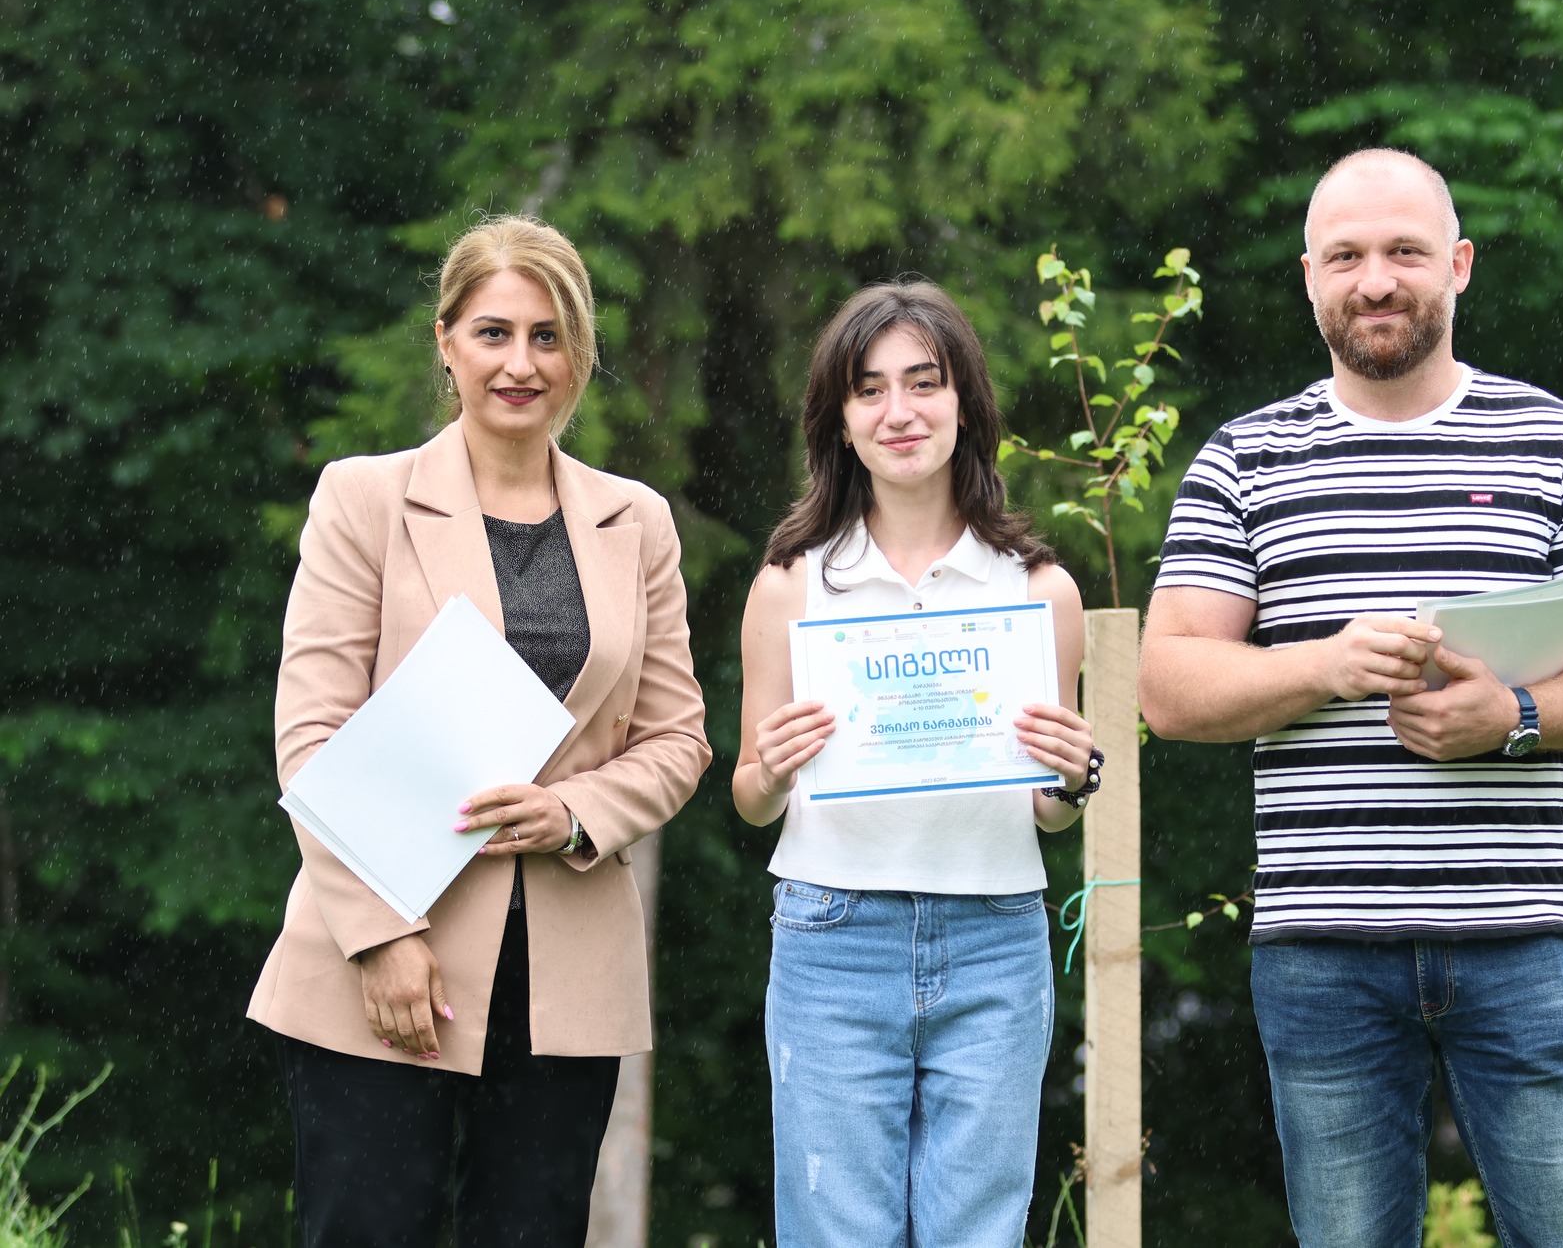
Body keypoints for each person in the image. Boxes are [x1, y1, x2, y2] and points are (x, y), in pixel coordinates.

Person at [1138, 149, 1563, 1247]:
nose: (1376, 281)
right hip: (1322, 945)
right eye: (1345, 257)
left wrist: (1516, 718)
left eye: (1404, 252)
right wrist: (1322, 666)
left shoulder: (1556, 441)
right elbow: (1168, 686)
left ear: (1460, 265)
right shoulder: (1244, 458)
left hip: (1518, 933)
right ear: (1308, 277)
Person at [247, 215, 713, 1248]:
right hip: (379, 954)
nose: (520, 363)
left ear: (579, 354)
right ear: (446, 342)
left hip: (564, 974)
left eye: (548, 337)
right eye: (494, 333)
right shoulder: (363, 499)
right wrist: (382, 935)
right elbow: (312, 735)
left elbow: (678, 738)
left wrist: (572, 811)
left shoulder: (637, 521)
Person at [732, 280, 1101, 1248]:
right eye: (869, 389)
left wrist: (1071, 778)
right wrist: (770, 768)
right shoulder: (789, 585)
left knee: (977, 1232)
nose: (898, 411)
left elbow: (1049, 810)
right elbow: (750, 799)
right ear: (839, 421)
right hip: (832, 933)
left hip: (995, 935)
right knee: (834, 1230)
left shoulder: (1040, 589)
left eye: (923, 382)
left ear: (965, 404)